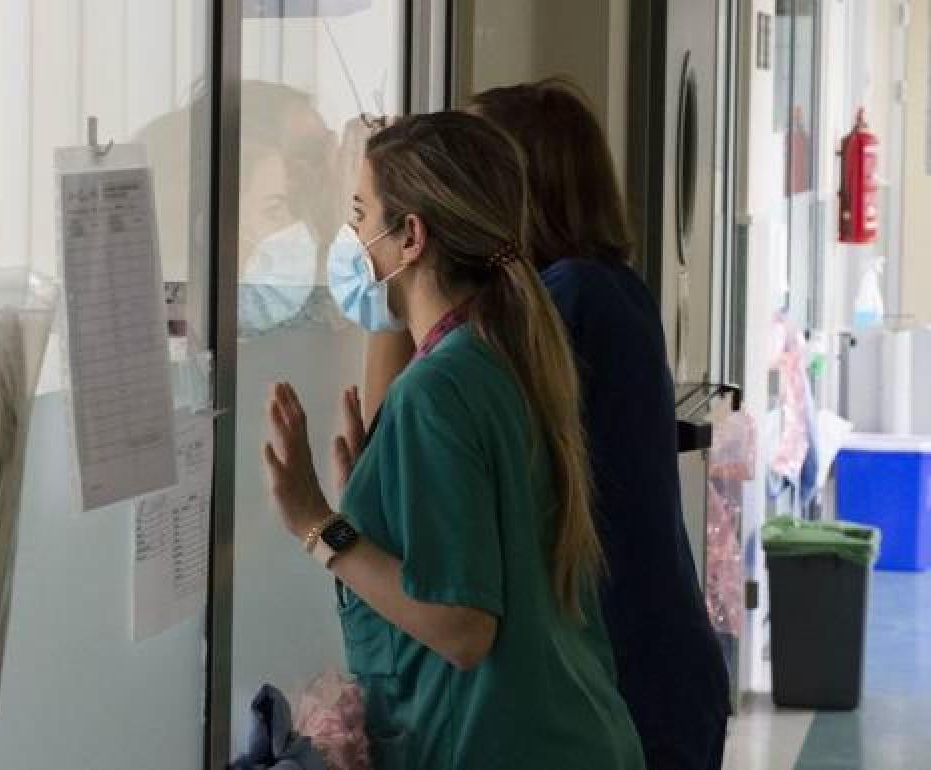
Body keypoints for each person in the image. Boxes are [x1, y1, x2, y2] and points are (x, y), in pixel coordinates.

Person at [261, 111, 645, 770]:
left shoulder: (438, 389)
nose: (351, 236)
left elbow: (463, 628)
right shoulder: (505, 356)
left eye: (359, 213)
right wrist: (378, 502)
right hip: (575, 735)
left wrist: (317, 524)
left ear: (410, 236)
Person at [365, 80, 732, 769]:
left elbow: (395, 431)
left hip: (628, 676)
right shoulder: (608, 287)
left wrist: (391, 263)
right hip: (644, 664)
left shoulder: (570, 304)